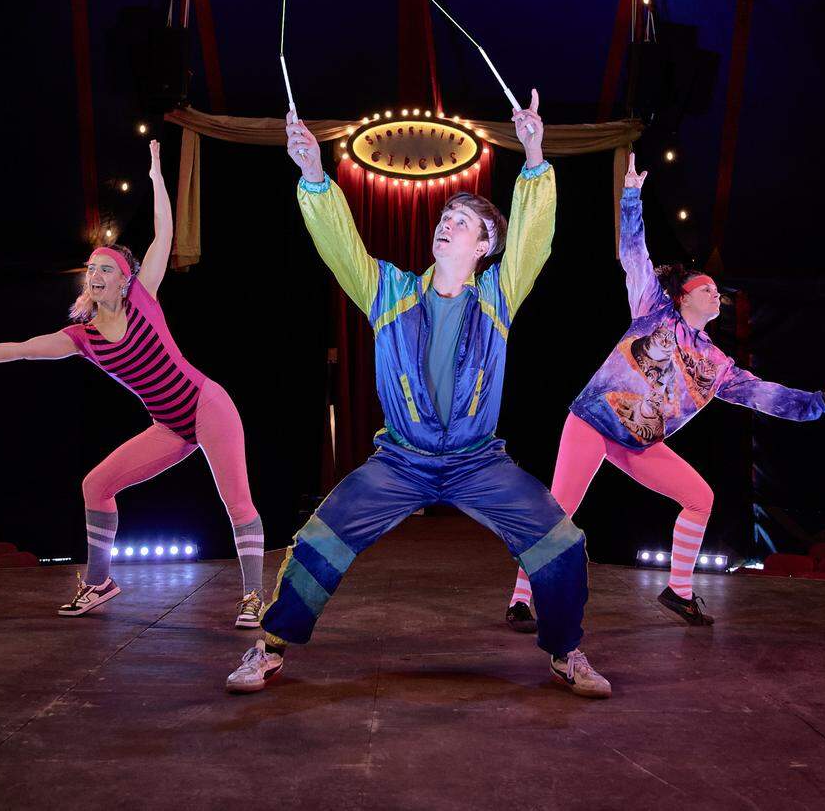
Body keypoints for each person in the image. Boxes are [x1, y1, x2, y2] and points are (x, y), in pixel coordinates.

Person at [226, 92, 610, 697]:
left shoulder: (498, 298)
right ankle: (270, 646)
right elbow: (341, 246)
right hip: (400, 459)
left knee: (562, 544)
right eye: (443, 219)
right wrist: (314, 176)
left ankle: (565, 651)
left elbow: (534, 238)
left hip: (478, 460)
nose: (445, 225)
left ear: (485, 246)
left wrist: (534, 154)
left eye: (461, 222)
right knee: (318, 542)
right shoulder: (390, 292)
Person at [505, 153, 825, 631]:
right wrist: (631, 197)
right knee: (561, 509)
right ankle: (519, 598)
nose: (715, 294)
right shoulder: (653, 310)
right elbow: (635, 254)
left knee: (700, 497)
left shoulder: (718, 366)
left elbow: (770, 397)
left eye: (718, 291)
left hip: (639, 442)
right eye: (706, 288)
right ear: (682, 297)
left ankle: (678, 592)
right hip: (593, 420)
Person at [0, 140, 264, 626]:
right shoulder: (82, 337)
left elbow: (164, 235)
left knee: (236, 500)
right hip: (169, 425)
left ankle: (253, 597)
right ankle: (100, 582)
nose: (95, 274)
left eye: (106, 269)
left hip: (206, 405)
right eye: (91, 269)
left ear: (124, 279)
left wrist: (159, 179)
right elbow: (20, 348)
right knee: (96, 485)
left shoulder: (145, 298)